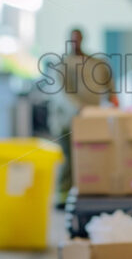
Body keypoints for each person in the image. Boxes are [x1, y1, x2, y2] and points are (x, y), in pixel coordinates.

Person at [47, 28, 118, 204]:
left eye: (78, 39)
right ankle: (62, 198)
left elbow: (108, 82)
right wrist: (80, 107)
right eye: (72, 39)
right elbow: (62, 94)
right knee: (67, 161)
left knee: (89, 158)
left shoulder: (95, 62)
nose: (75, 42)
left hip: (89, 121)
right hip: (66, 122)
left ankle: (85, 193)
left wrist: (113, 98)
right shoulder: (61, 64)